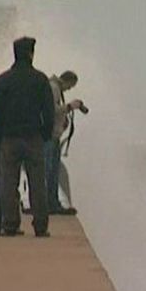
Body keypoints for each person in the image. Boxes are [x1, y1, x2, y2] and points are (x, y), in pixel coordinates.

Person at [0, 36, 54, 237]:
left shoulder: (3, 80)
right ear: (31, 54)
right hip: (33, 138)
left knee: (8, 182)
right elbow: (49, 112)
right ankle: (40, 226)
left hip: (9, 139)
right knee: (37, 183)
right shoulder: (40, 80)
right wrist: (45, 134)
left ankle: (10, 224)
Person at [46, 71, 83, 215]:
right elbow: (52, 109)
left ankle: (53, 202)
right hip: (50, 136)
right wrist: (69, 107)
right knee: (49, 171)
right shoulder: (54, 88)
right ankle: (50, 203)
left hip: (54, 136)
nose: (69, 89)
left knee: (53, 171)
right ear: (67, 81)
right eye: (71, 86)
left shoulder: (55, 88)